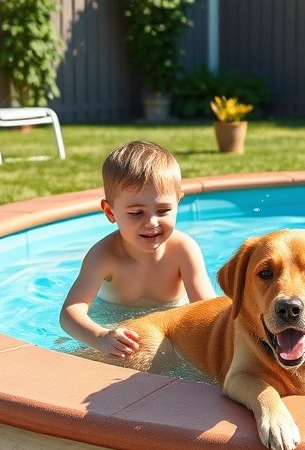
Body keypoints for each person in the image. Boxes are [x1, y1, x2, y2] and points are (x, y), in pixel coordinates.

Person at [60, 141, 216, 359]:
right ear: (110, 212)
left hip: (169, 326)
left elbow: (207, 309)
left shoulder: (183, 250)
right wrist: (100, 336)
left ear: (178, 202)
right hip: (112, 324)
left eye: (163, 210)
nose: (152, 222)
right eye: (136, 213)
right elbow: (70, 313)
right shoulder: (103, 256)